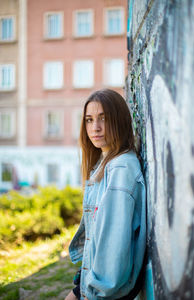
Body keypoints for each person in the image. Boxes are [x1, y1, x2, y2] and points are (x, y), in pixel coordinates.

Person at [65, 89, 146, 300]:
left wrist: (88, 293)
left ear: (119, 121)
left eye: (104, 119)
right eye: (89, 120)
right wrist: (80, 284)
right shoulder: (104, 163)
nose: (95, 128)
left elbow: (114, 249)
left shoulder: (120, 169)